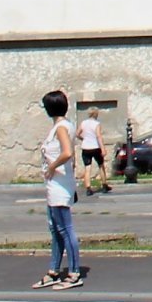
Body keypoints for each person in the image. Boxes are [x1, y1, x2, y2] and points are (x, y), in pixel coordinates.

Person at [36, 90, 83, 289]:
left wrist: (53, 167)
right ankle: (54, 271)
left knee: (65, 229)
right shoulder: (62, 126)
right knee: (55, 230)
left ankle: (74, 272)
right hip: (56, 184)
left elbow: (67, 153)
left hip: (59, 185)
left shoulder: (61, 128)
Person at [76, 109, 108, 195]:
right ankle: (104, 185)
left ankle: (88, 188)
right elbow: (98, 136)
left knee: (87, 168)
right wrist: (103, 148)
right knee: (101, 165)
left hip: (86, 147)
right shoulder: (96, 124)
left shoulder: (83, 123)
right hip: (95, 147)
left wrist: (83, 139)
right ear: (96, 115)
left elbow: (77, 133)